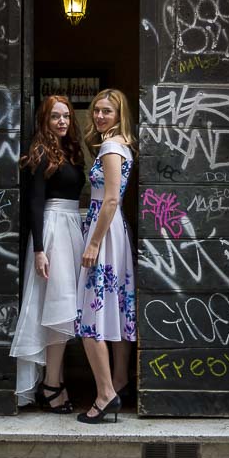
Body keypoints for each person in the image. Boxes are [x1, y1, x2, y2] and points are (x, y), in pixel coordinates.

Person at [9, 95, 85, 412]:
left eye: (66, 116)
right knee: (58, 312)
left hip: (71, 229)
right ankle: (51, 385)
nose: (63, 121)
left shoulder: (70, 150)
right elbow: (35, 204)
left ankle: (56, 381)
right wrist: (40, 249)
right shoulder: (40, 153)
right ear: (44, 120)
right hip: (53, 232)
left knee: (63, 310)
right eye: (56, 117)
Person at [75, 88, 137, 423]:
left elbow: (110, 200)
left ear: (119, 115)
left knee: (91, 314)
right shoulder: (119, 144)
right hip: (114, 231)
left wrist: (93, 243)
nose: (99, 116)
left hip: (105, 231)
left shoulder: (112, 147)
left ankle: (104, 393)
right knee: (115, 306)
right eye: (96, 110)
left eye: (107, 112)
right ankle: (120, 380)